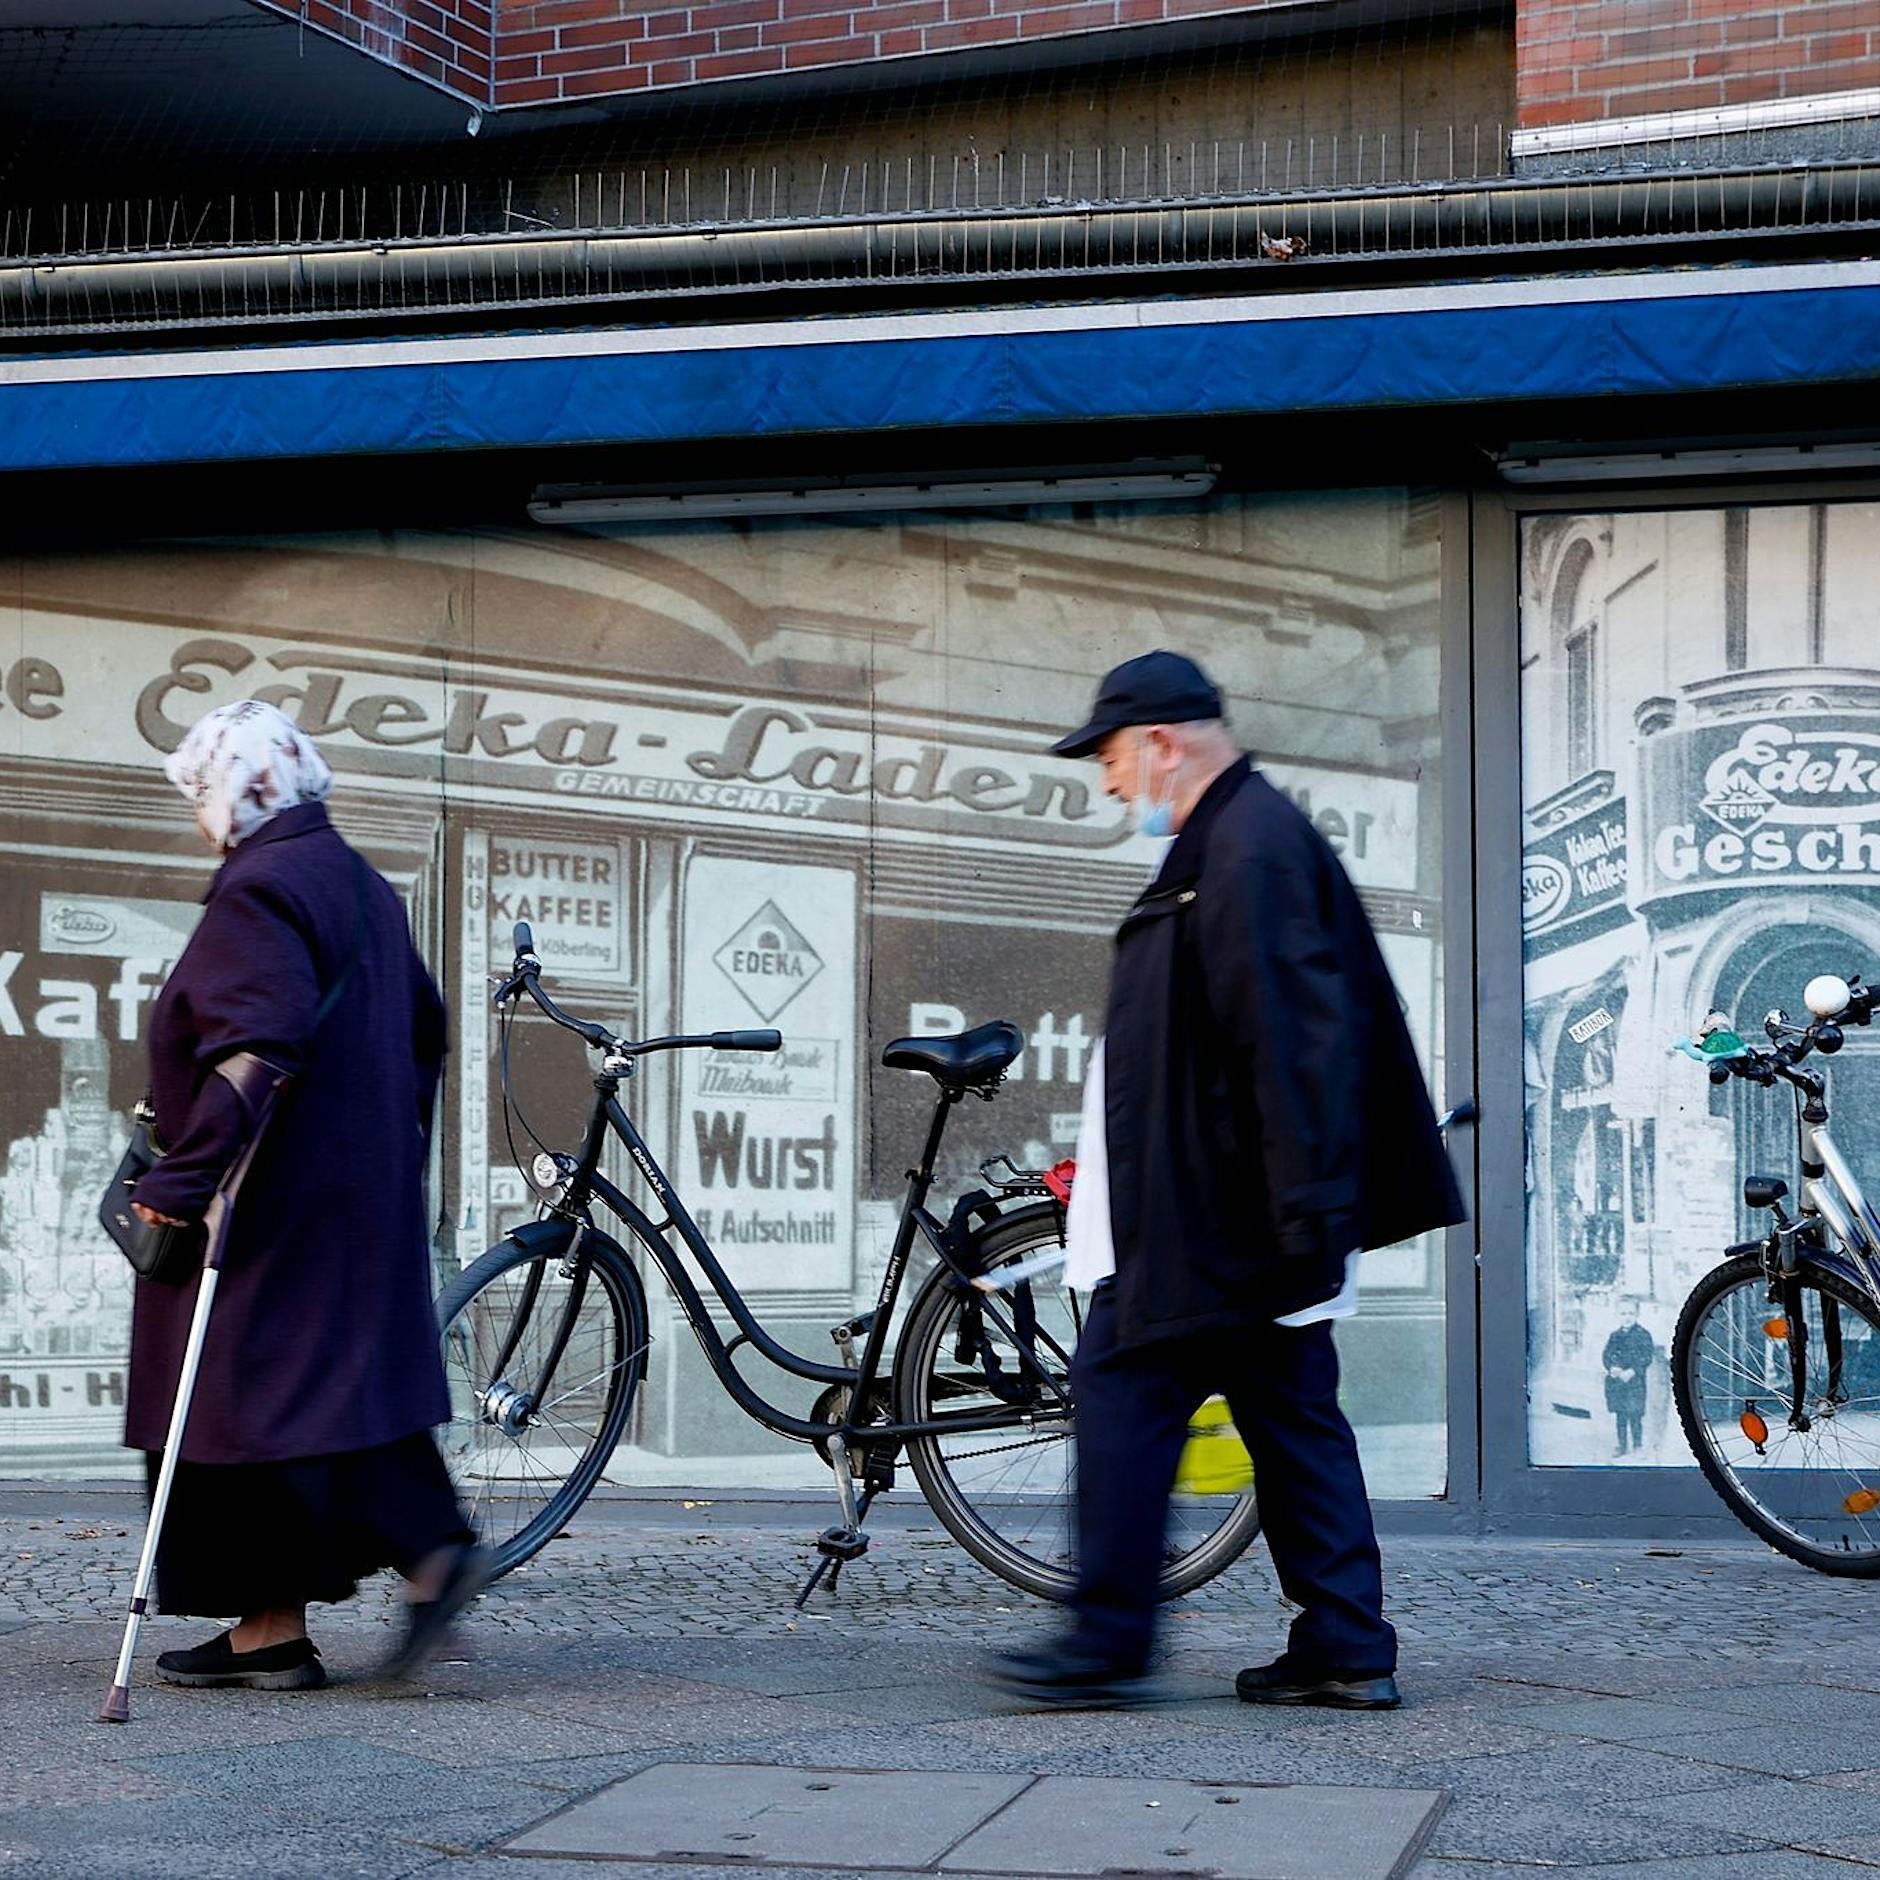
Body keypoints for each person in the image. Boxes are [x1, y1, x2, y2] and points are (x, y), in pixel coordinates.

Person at [993, 651, 1464, 1712]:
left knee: (1119, 1392)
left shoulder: (1245, 848)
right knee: (1291, 1413)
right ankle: (1344, 1641)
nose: (1110, 783)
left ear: (1162, 743)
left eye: (1111, 758)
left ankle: (1106, 1638)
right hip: (1244, 1214)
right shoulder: (1238, 838)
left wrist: (1302, 1213)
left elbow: (1290, 1040)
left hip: (1215, 1219)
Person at [124, 699, 489, 1691]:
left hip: (265, 1198)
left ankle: (425, 1557)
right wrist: (385, 1145)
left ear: (245, 789)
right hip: (347, 1194)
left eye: (203, 790)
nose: (201, 811)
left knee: (245, 1398)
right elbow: (426, 1026)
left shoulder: (260, 889)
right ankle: (268, 1628)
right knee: (306, 1397)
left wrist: (181, 1175)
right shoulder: (363, 885)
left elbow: (256, 1040)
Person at [1603, 1300, 1655, 1459]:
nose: (1627, 1317)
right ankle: (1622, 1446)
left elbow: (1646, 1357)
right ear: (1617, 1315)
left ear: (1637, 1314)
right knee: (1621, 1415)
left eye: (1631, 1313)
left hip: (1635, 1383)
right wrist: (1612, 1367)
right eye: (1623, 1313)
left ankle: (1637, 1445)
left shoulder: (1643, 1334)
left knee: (1635, 1414)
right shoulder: (1614, 1336)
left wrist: (1633, 1371)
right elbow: (1606, 1355)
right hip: (1618, 1382)